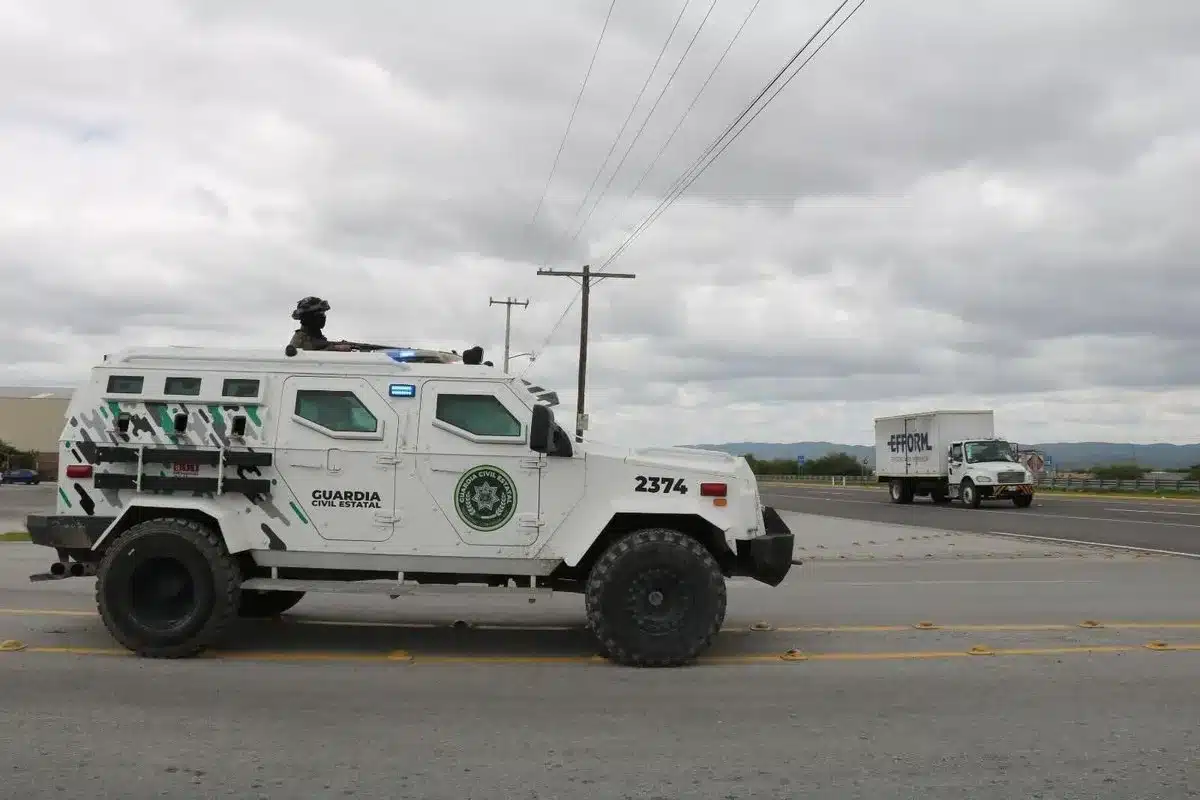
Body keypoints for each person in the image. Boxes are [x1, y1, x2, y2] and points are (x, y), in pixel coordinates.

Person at [289, 296, 353, 351]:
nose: (323, 317)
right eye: (320, 313)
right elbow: (309, 357)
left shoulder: (315, 336)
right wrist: (335, 348)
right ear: (308, 317)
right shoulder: (300, 339)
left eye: (323, 313)